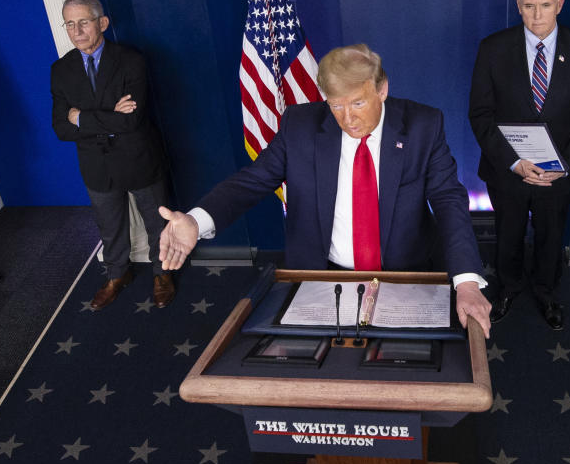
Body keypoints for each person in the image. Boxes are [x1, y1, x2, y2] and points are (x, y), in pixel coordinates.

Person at [157, 44, 492, 336]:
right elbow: (252, 181)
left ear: (382, 89)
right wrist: (195, 220)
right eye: (336, 106)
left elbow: (449, 200)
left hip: (403, 273)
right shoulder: (299, 125)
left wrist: (465, 281)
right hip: (322, 273)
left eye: (358, 104)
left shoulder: (423, 125)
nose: (347, 119)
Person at [469, 0, 570, 330]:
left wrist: (567, 166)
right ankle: (509, 288)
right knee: (508, 234)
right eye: (529, 6)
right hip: (508, 171)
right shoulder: (493, 49)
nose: (537, 15)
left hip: (557, 175)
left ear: (559, 4)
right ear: (518, 5)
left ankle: (546, 292)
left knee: (551, 237)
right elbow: (480, 115)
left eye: (545, 5)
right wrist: (513, 163)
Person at [51, 0, 174, 310]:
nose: (77, 31)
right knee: (109, 226)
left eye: (84, 22)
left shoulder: (131, 60)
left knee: (157, 221)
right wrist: (109, 116)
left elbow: (131, 119)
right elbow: (61, 129)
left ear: (102, 23)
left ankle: (162, 273)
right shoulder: (60, 70)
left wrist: (82, 117)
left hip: (138, 158)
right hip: (96, 165)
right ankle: (117, 274)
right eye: (70, 24)